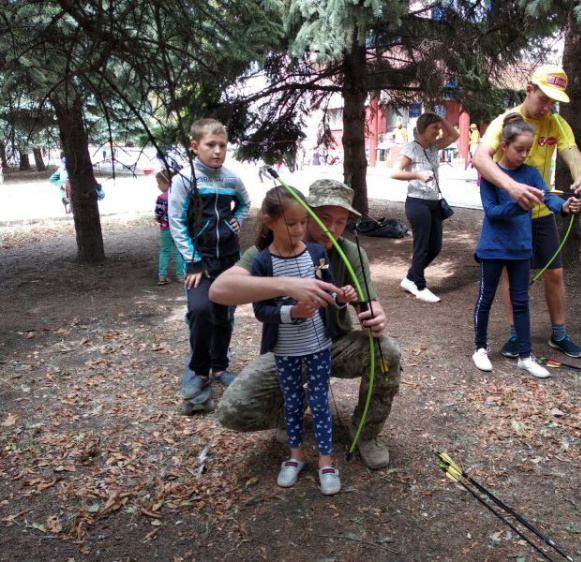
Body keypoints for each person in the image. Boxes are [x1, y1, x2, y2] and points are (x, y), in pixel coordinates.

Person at [211, 179, 401, 470]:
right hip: (286, 350)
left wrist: (375, 315)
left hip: (332, 344)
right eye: (324, 219)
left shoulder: (350, 253)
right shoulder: (272, 250)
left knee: (386, 351)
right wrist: (286, 284)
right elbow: (219, 290)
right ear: (305, 214)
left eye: (341, 222)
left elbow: (368, 304)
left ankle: (366, 435)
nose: (333, 230)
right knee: (233, 411)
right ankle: (291, 413)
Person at [473, 64, 581, 360]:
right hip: (512, 213)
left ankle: (559, 334)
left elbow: (574, 156)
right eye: (544, 99)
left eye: (554, 102)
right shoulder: (507, 121)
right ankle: (516, 335)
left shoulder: (556, 124)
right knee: (512, 279)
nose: (548, 107)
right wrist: (511, 188)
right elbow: (480, 158)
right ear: (529, 90)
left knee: (555, 272)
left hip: (540, 212)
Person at [250, 186, 358, 495]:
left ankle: (326, 462)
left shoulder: (316, 254)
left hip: (318, 346)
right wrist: (292, 311)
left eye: (302, 222)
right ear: (270, 222)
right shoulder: (263, 264)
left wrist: (342, 297)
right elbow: (261, 310)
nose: (299, 230)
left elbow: (330, 291)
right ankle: (295, 457)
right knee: (293, 400)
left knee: (320, 401)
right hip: (285, 349)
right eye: (291, 223)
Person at [168, 118, 250, 406]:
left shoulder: (231, 178)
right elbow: (175, 221)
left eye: (222, 145)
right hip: (200, 262)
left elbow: (245, 203)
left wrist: (237, 220)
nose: (217, 151)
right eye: (210, 145)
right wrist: (192, 261)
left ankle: (220, 367)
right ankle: (199, 371)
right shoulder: (184, 179)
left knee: (224, 314)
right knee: (201, 311)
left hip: (229, 260)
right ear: (195, 147)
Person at [391, 112, 459, 303]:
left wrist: (441, 119)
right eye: (434, 128)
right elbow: (394, 173)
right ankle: (419, 286)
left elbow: (455, 135)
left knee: (435, 247)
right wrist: (418, 175)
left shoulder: (434, 146)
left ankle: (410, 278)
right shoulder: (411, 148)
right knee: (421, 246)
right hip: (417, 202)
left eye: (438, 128)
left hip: (434, 201)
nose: (438, 132)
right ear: (422, 129)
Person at [154, 169, 186, 285]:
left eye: (159, 183)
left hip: (165, 229)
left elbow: (158, 213)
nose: (158, 186)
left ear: (167, 182)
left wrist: (159, 220)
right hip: (177, 228)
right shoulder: (179, 196)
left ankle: (162, 275)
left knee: (165, 251)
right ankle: (181, 276)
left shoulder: (161, 198)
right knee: (178, 252)